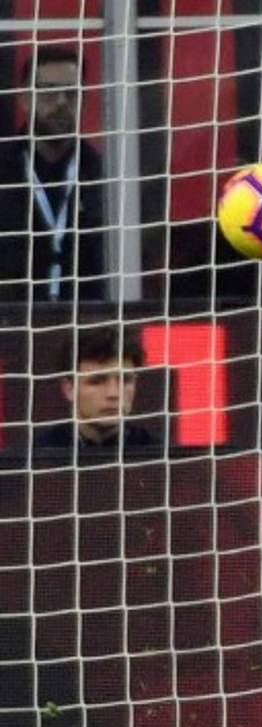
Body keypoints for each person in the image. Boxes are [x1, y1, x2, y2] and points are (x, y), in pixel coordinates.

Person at [0, 46, 106, 302]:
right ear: (25, 98)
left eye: (72, 93)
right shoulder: (4, 170)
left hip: (90, 328)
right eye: (48, 91)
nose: (61, 102)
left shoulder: (103, 176)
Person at [35, 326, 155, 448]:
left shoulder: (159, 454)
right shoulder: (35, 454)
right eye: (97, 381)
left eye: (125, 380)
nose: (113, 393)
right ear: (69, 388)